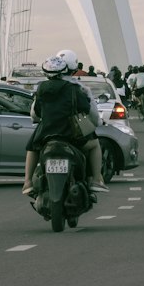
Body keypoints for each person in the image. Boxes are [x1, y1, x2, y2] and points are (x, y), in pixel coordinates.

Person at [22, 54, 107, 195]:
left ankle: (27, 182)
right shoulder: (75, 88)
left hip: (46, 135)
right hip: (71, 135)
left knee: (32, 148)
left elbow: (36, 113)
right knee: (94, 144)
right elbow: (87, 109)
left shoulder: (41, 88)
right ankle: (97, 179)